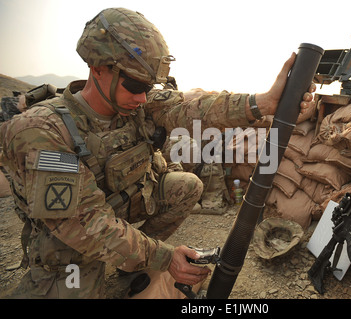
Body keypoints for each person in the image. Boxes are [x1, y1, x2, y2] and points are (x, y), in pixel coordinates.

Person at [0, 7, 315, 298]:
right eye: (135, 85)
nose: (142, 97)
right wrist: (163, 257)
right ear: (98, 68)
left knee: (186, 185)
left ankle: (128, 260)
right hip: (69, 242)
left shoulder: (135, 104)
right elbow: (83, 223)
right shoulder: (41, 132)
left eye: (147, 86)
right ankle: (117, 261)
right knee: (76, 281)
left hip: (118, 208)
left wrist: (263, 103)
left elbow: (190, 105)